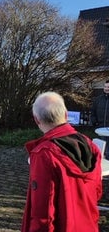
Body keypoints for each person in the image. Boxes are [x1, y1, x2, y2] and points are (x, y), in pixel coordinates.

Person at [21, 91, 102, 232]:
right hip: (88, 224)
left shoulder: (44, 154)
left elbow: (43, 211)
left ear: (36, 119)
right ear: (66, 114)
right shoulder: (90, 145)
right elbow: (97, 191)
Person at [91, 80, 109, 158]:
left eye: (108, 87)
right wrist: (95, 122)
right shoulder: (98, 99)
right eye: (105, 86)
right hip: (101, 129)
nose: (106, 88)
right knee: (102, 150)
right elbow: (93, 112)